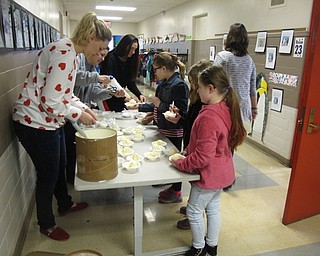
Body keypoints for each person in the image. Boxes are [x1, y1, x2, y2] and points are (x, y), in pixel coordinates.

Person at [12, 12, 111, 241]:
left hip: (48, 120)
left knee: (61, 163)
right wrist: (78, 114)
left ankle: (65, 203)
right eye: (101, 46)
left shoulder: (71, 52)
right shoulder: (65, 53)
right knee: (48, 174)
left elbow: (64, 94)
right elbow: (50, 101)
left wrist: (82, 107)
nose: (101, 53)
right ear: (91, 36)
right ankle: (46, 224)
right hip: (34, 122)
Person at [170, 65, 247, 256]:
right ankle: (211, 246)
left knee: (194, 211)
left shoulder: (209, 117)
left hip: (209, 176)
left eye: (200, 88)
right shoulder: (224, 108)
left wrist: (179, 162)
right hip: (222, 172)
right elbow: (204, 143)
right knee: (213, 209)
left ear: (211, 88)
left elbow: (203, 157)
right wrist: (188, 150)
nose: (197, 91)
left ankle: (198, 248)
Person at [131, 52, 189, 198]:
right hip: (162, 127)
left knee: (174, 160)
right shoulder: (164, 83)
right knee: (163, 159)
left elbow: (180, 112)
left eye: (155, 69)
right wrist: (138, 107)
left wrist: (160, 104)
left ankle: (176, 190)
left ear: (163, 68)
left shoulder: (179, 85)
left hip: (173, 130)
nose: (153, 72)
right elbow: (155, 106)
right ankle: (168, 182)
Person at [64, 49, 125, 184]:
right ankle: (71, 182)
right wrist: (97, 78)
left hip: (78, 113)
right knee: (70, 152)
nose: (102, 59)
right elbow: (75, 78)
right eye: (101, 54)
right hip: (67, 116)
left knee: (75, 151)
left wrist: (110, 92)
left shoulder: (93, 68)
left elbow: (93, 94)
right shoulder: (77, 60)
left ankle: (73, 181)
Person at [159, 60, 212, 208]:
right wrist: (180, 117)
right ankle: (193, 208)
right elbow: (190, 122)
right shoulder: (197, 99)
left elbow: (199, 130)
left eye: (195, 84)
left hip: (198, 150)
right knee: (195, 184)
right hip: (191, 144)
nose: (193, 88)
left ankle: (194, 212)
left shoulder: (207, 106)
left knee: (201, 189)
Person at [214, 23, 257, 191]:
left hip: (225, 107)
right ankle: (228, 177)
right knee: (230, 144)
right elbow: (252, 86)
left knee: (219, 143)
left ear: (229, 37)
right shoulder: (249, 60)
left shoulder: (223, 57)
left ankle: (221, 175)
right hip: (242, 109)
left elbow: (212, 81)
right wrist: (254, 109)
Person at [100, 34, 146, 111]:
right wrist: (125, 97)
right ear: (124, 46)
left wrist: (139, 95)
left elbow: (130, 82)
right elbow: (109, 83)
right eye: (131, 49)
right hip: (109, 97)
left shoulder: (130, 60)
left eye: (135, 49)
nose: (133, 52)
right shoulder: (110, 58)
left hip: (121, 97)